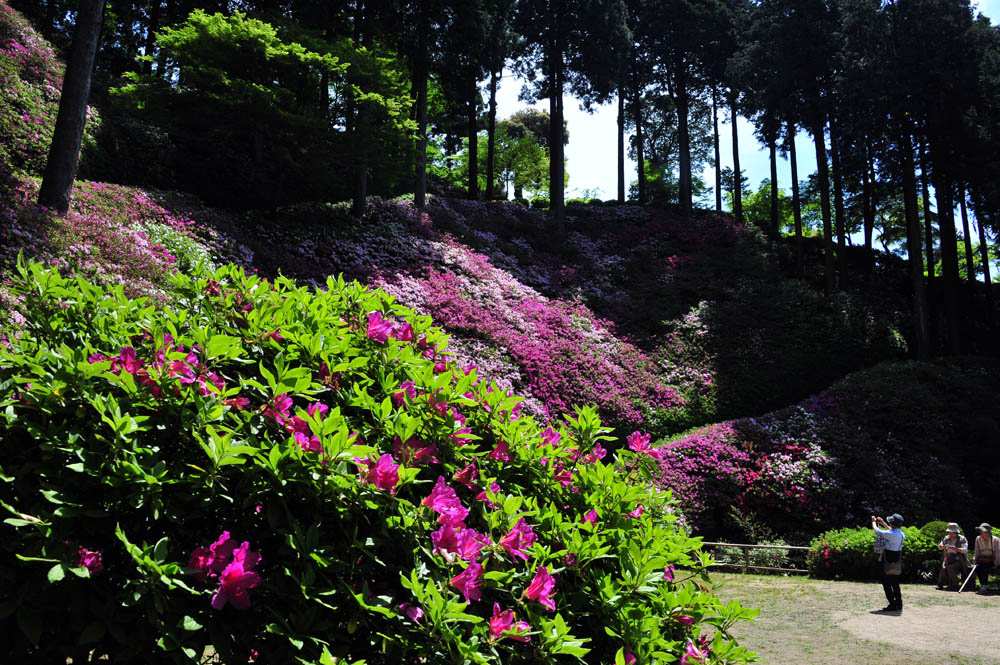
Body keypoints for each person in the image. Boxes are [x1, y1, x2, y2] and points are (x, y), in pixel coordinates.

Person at [872, 513, 905, 612]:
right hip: (896, 561)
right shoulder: (901, 534)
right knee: (895, 583)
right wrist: (882, 522)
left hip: (888, 561)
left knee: (886, 583)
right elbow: (891, 531)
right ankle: (899, 604)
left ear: (893, 523)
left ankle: (892, 604)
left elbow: (877, 531)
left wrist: (873, 521)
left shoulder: (891, 534)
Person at [937, 522, 970, 590]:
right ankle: (940, 585)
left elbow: (965, 550)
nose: (950, 534)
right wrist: (940, 546)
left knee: (950, 568)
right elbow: (940, 546)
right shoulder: (946, 538)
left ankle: (955, 585)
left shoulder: (962, 539)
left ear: (956, 533)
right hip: (948, 558)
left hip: (959, 559)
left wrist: (956, 549)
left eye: (952, 533)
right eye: (949, 532)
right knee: (943, 569)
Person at [972, 523, 1000, 595]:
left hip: (993, 561)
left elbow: (997, 554)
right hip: (982, 559)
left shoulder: (995, 540)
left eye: (982, 531)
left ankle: (984, 586)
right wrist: (975, 561)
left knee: (985, 566)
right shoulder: (978, 539)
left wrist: (995, 564)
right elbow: (977, 551)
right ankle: (983, 585)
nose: (981, 533)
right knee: (977, 567)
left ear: (987, 532)